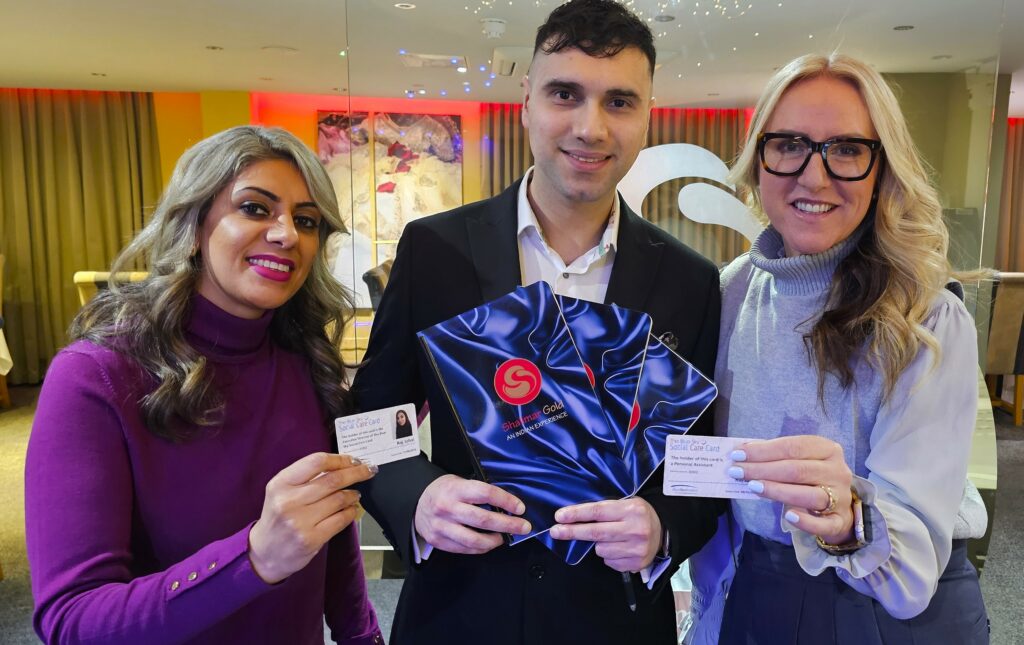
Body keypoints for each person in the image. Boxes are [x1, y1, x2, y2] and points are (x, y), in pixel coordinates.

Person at [350, 1, 722, 643]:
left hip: (616, 618)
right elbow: (370, 425)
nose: (590, 127)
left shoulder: (689, 280)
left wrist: (663, 528)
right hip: (460, 609)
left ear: (647, 115)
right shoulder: (436, 250)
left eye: (620, 102)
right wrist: (419, 499)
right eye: (564, 93)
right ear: (527, 99)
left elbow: (700, 462)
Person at [25, 126, 383, 645]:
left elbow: (328, 528)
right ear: (192, 226)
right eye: (256, 209)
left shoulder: (305, 362)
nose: (287, 235)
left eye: (306, 221)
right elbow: (72, 619)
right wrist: (254, 558)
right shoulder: (94, 377)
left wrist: (361, 636)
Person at [686, 53, 989, 644]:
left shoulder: (926, 316)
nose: (814, 176)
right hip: (758, 586)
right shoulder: (729, 293)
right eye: (789, 143)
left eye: (847, 149)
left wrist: (849, 514)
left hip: (888, 602)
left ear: (883, 169)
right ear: (758, 160)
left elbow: (909, 572)